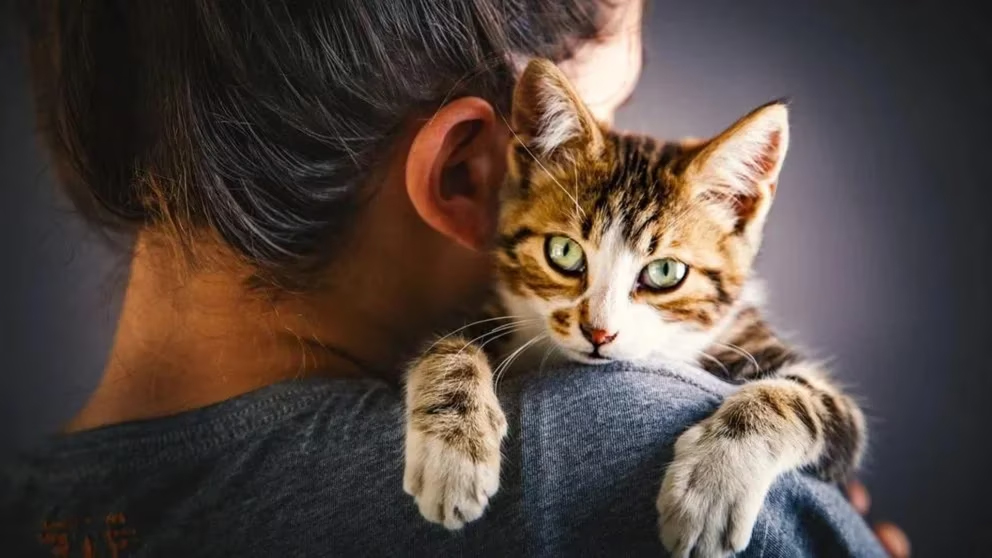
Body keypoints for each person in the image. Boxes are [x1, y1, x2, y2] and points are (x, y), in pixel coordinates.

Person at [1, 0, 909, 556]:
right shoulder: (626, 463)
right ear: (469, 172)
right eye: (614, 111)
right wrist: (812, 535)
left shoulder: (27, 508)